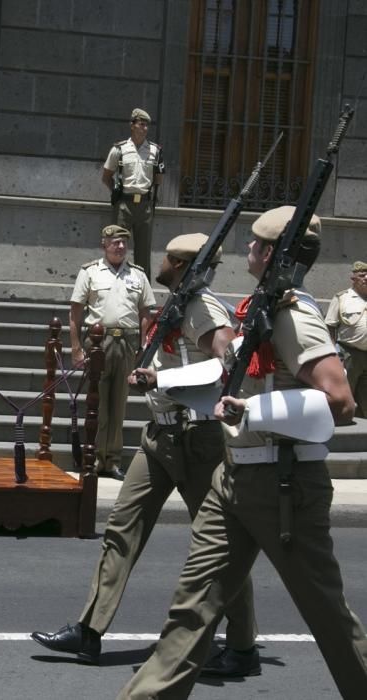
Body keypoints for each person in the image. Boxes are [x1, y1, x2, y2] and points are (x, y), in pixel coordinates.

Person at [116, 206, 367, 700]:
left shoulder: (294, 317)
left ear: (270, 253)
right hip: (231, 481)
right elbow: (226, 380)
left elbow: (340, 400)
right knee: (191, 612)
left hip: (284, 488)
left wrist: (254, 412)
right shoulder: (260, 311)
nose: (245, 251)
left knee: (328, 618)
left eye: (254, 245)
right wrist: (164, 380)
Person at [31, 233, 258, 674]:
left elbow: (225, 361)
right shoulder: (176, 303)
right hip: (160, 436)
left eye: (170, 259)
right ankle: (89, 630)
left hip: (198, 440)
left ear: (183, 266)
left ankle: (244, 646)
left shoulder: (203, 307)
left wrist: (162, 382)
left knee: (221, 544)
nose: (162, 262)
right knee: (122, 528)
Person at [69, 224, 155, 480]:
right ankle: (94, 458)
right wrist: (75, 348)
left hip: (127, 344)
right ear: (104, 245)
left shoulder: (138, 275)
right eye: (115, 242)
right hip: (98, 342)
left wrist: (143, 346)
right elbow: (75, 312)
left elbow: (145, 313)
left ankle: (113, 460)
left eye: (123, 243)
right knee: (97, 403)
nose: (120, 246)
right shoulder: (90, 272)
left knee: (119, 404)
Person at [102, 108, 164, 280]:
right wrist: (116, 190)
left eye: (147, 126)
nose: (144, 129)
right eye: (141, 124)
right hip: (124, 205)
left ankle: (143, 292)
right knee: (116, 247)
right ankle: (111, 283)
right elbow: (106, 176)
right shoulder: (119, 150)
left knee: (143, 252)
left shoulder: (155, 151)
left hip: (144, 206)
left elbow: (158, 178)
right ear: (132, 125)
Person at [325, 260, 367, 418]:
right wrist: (332, 354)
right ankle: (340, 425)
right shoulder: (342, 298)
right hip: (349, 353)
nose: (366, 278)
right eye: (362, 275)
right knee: (343, 392)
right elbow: (330, 326)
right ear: (353, 279)